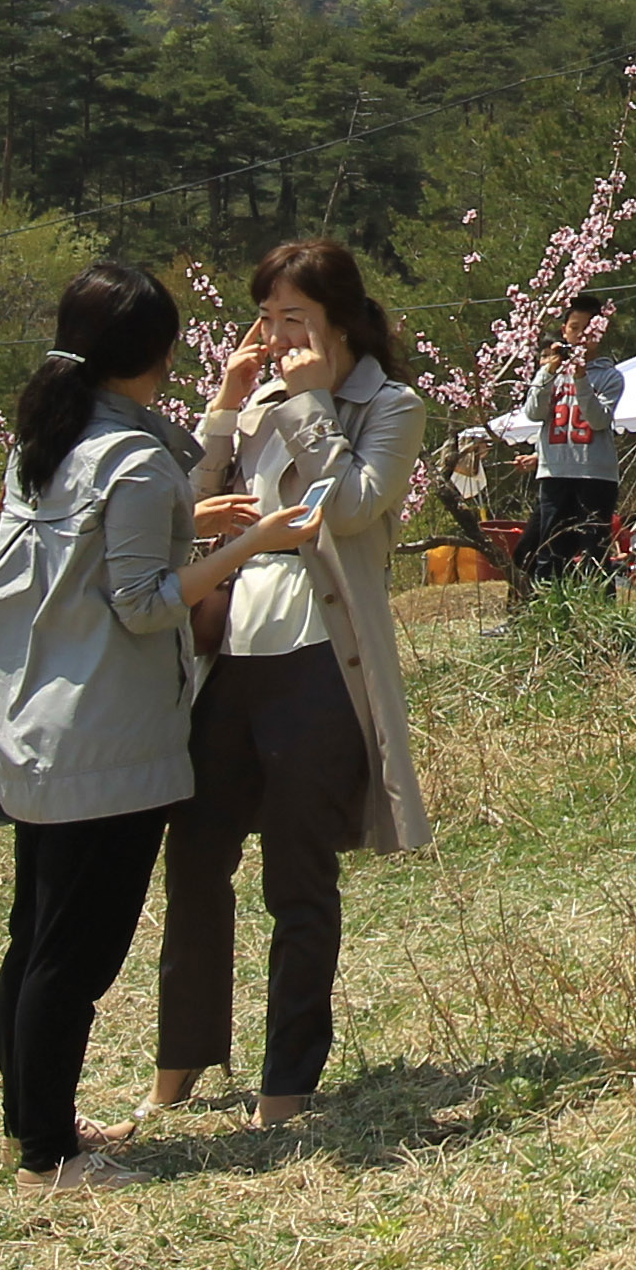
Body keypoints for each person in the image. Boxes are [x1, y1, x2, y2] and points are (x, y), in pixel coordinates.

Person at [0, 263, 305, 1190]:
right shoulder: (125, 457)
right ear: (155, 353)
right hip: (105, 743)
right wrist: (249, 545)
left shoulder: (50, 434)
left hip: (36, 725)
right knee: (74, 959)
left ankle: (29, 1125)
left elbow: (114, 537)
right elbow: (143, 602)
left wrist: (216, 430)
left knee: (35, 937)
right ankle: (47, 1159)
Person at [147, 238, 433, 1138]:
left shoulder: (391, 404)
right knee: (194, 859)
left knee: (298, 877)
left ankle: (288, 1079)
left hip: (319, 656)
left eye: (294, 318)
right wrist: (227, 410)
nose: (276, 336)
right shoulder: (259, 399)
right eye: (266, 317)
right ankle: (179, 1063)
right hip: (231, 656)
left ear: (339, 320)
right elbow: (180, 506)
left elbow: (350, 508)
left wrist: (311, 404)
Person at [514, 297, 627, 605]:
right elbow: (533, 413)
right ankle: (547, 613)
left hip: (594, 475)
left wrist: (580, 378)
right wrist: (548, 371)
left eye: (588, 329)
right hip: (555, 472)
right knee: (551, 551)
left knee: (594, 548)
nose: (580, 335)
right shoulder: (551, 374)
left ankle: (602, 615)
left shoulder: (609, 377)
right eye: (574, 328)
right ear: (564, 331)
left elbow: (599, 419)